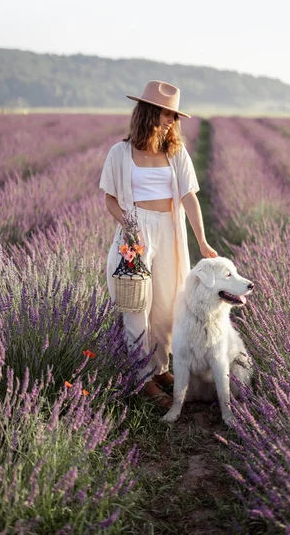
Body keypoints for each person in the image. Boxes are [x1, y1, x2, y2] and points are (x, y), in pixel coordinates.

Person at [99, 80, 218, 408]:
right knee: (137, 306)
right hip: (135, 235)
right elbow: (109, 199)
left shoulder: (176, 153)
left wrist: (203, 242)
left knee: (167, 305)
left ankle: (159, 368)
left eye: (175, 116)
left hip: (169, 231)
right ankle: (141, 381)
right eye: (168, 114)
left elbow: (189, 198)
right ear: (150, 112)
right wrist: (128, 225)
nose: (172, 121)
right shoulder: (120, 153)